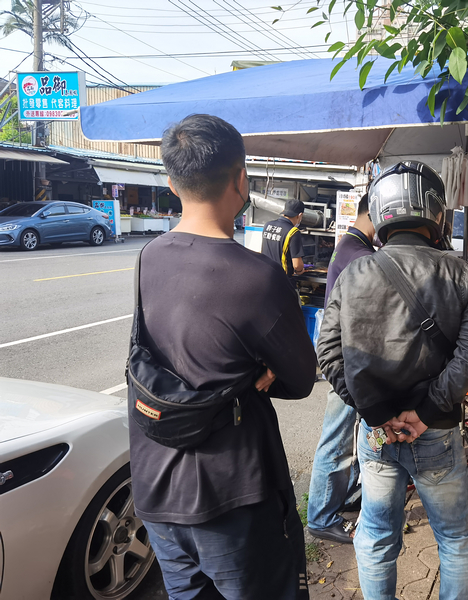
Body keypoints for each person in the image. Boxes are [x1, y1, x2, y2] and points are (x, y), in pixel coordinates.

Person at [131, 114, 317, 600]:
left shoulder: (149, 255)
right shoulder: (256, 277)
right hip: (229, 495)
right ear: (241, 179)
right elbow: (300, 378)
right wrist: (261, 372)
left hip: (154, 481)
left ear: (172, 183)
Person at [317, 161, 468, 600]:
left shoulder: (354, 271)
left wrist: (376, 413)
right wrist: (428, 410)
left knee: (375, 535)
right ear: (436, 212)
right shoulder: (458, 272)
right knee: (454, 538)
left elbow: (329, 353)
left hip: (377, 432)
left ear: (380, 211)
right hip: (435, 430)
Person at [307, 194, 376, 544]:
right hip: (348, 361)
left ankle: (343, 498)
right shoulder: (361, 255)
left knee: (342, 437)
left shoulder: (348, 244)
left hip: (344, 356)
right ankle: (321, 517)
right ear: (374, 211)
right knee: (336, 441)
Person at [261, 198, 306, 276]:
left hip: (265, 274)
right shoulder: (293, 232)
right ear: (300, 215)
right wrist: (300, 270)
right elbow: (297, 265)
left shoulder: (267, 225)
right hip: (281, 279)